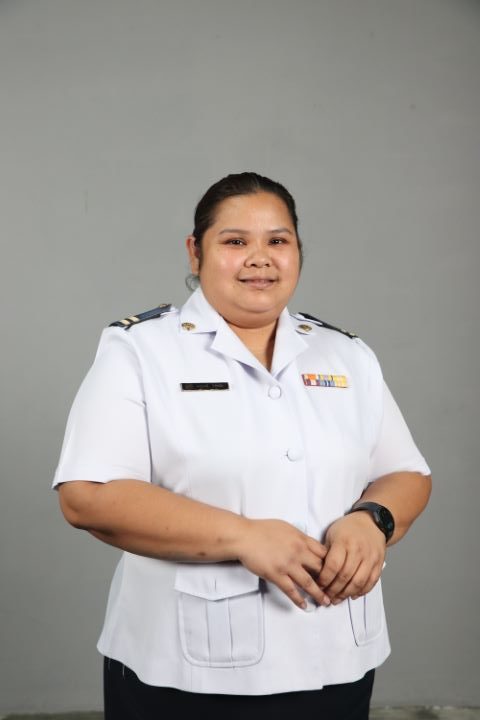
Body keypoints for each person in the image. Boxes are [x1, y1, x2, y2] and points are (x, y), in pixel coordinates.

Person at [53, 172, 431, 719]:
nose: (260, 258)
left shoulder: (346, 355)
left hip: (337, 657)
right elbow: (87, 495)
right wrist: (244, 535)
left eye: (278, 240)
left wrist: (374, 519)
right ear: (196, 252)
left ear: (297, 251)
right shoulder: (139, 351)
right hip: (186, 671)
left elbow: (407, 473)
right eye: (235, 241)